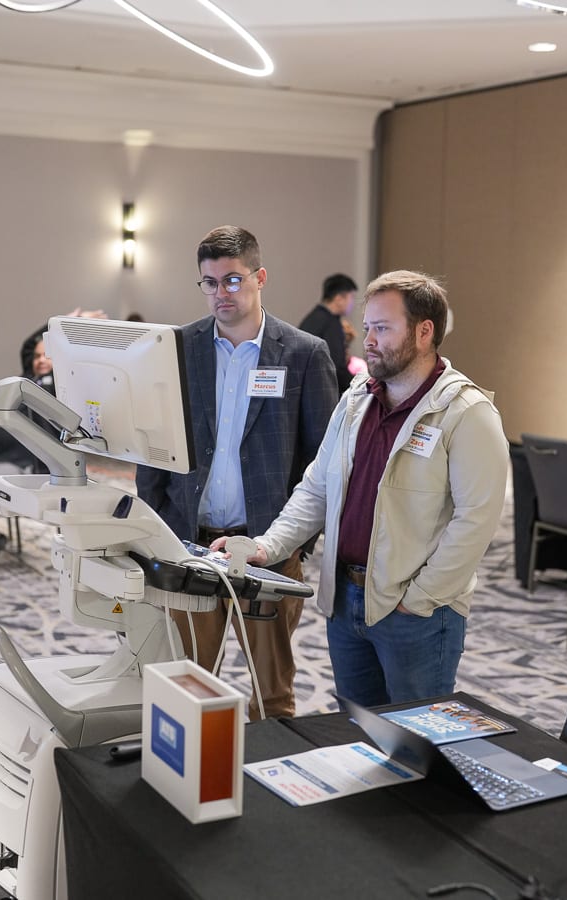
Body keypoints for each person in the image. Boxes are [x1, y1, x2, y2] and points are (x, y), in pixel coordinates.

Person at [213, 270, 509, 708]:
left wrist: (419, 599)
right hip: (346, 599)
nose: (367, 340)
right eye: (367, 327)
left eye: (383, 329)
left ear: (424, 332)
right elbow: (317, 488)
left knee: (414, 735)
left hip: (416, 613)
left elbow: (476, 521)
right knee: (355, 728)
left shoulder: (466, 412)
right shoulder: (357, 398)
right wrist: (267, 545)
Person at [136, 225, 339, 719]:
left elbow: (324, 460)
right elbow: (151, 446)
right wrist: (158, 525)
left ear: (259, 278)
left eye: (232, 280)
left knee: (272, 696)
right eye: (209, 282)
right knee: (184, 686)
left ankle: (270, 765)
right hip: (190, 546)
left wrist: (296, 545)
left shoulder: (304, 354)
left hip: (266, 551)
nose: (220, 293)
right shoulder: (178, 347)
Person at [299, 273, 358, 394]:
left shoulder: (313, 318)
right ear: (339, 299)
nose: (352, 303)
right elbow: (336, 366)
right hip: (322, 391)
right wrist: (358, 386)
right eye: (351, 297)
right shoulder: (331, 323)